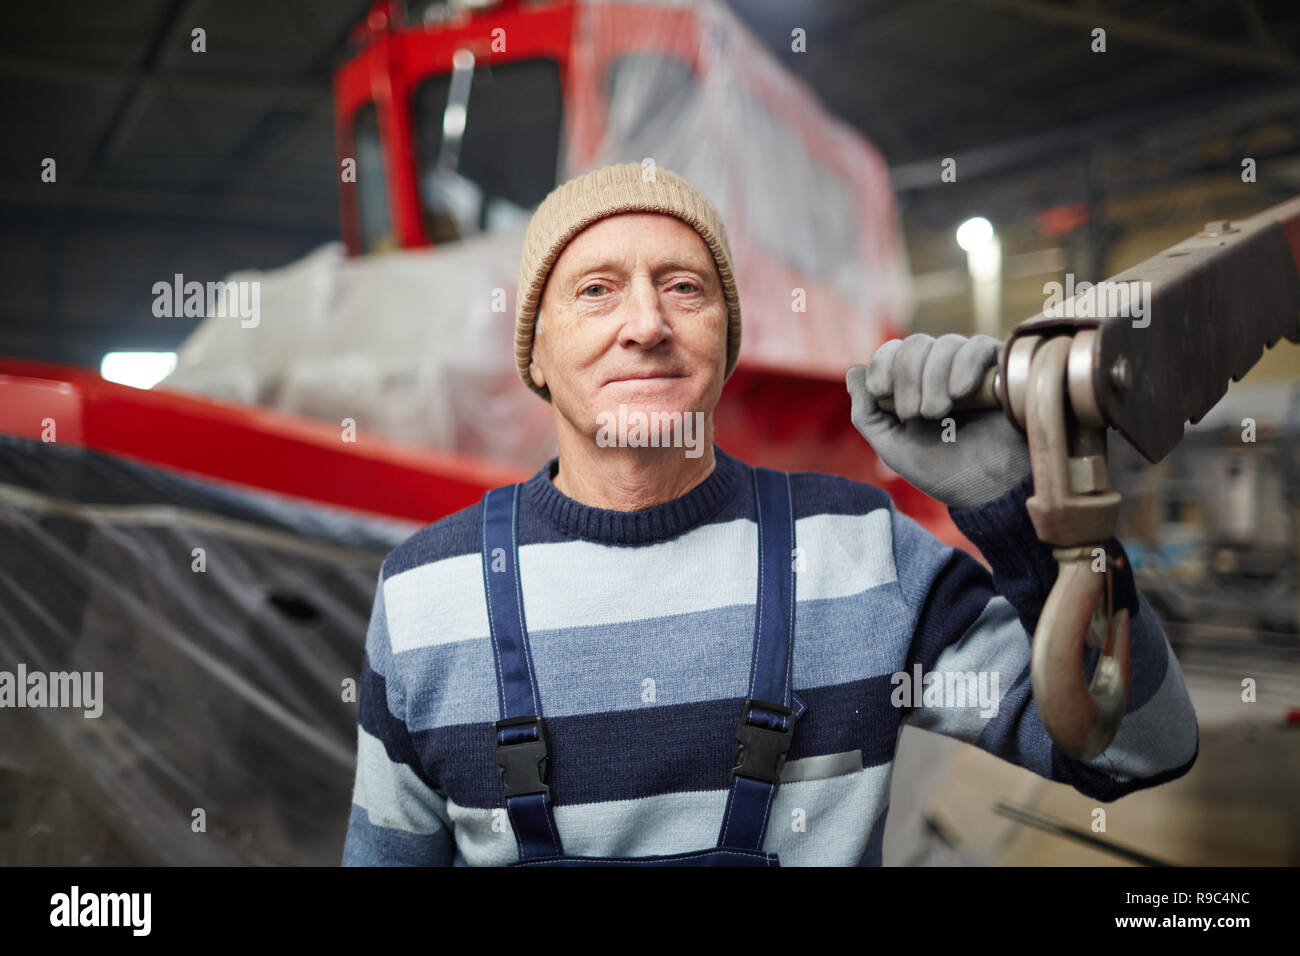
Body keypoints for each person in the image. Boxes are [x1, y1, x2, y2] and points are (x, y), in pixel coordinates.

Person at [341, 162, 1198, 866]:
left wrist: (1020, 508)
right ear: (534, 348)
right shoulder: (427, 595)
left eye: (684, 287)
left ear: (728, 341)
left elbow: (1141, 746)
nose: (646, 324)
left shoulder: (862, 557)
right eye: (596, 291)